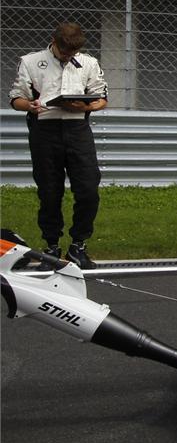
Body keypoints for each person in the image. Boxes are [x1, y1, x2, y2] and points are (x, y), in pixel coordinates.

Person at [8, 23, 109, 269]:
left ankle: (78, 246)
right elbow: (16, 98)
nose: (67, 56)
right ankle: (51, 246)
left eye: (72, 52)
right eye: (64, 51)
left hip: (78, 130)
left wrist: (84, 106)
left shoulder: (88, 63)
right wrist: (29, 105)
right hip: (45, 130)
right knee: (49, 192)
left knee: (88, 189)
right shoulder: (30, 61)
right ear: (53, 41)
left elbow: (101, 98)